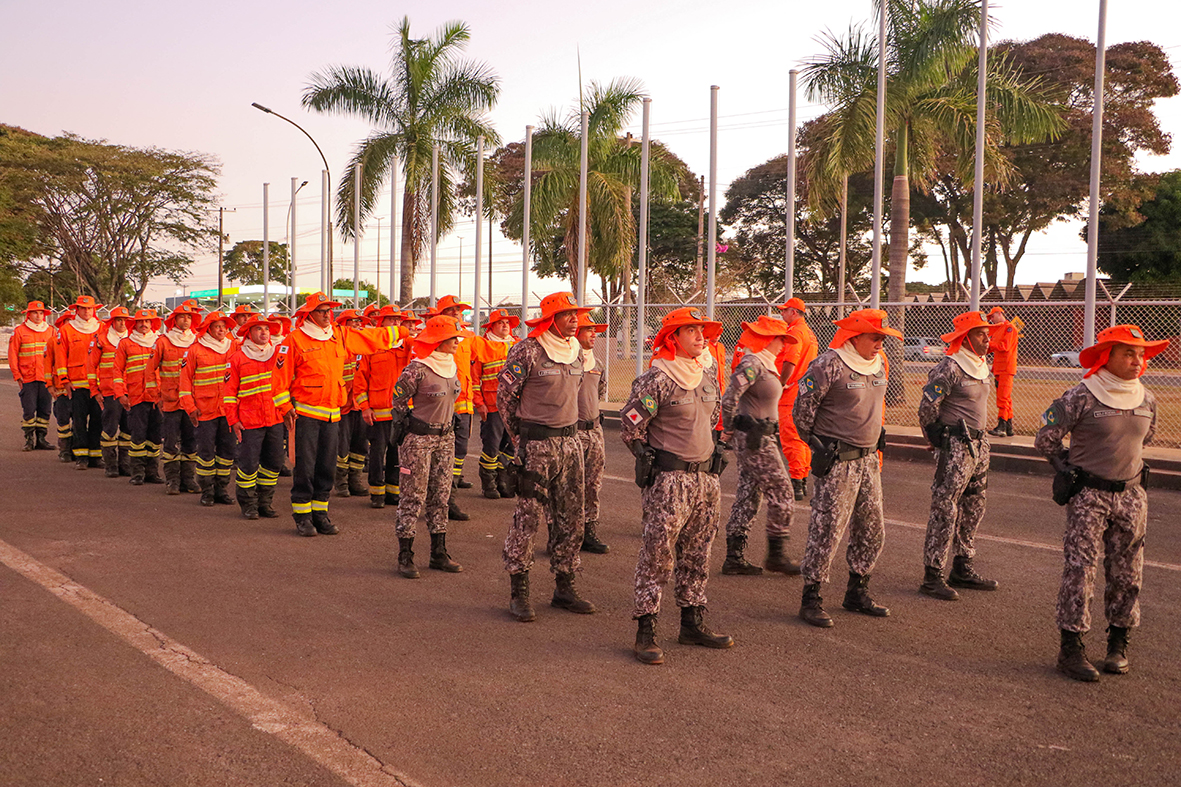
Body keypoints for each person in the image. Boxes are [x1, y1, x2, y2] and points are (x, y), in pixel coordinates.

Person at [1034, 325, 1164, 682]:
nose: (1137, 361)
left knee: (1128, 572)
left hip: (1132, 496)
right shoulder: (1081, 396)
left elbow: (1145, 437)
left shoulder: (1146, 398)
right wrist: (1067, 469)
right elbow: (1045, 439)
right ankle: (1071, 647)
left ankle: (1118, 643)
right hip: (1089, 497)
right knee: (1081, 570)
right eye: (1128, 353)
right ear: (1107, 356)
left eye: (1141, 354)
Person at [621, 307, 733, 665]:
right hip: (670, 482)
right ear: (673, 338)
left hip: (705, 480)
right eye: (692, 331)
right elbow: (632, 425)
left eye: (703, 331)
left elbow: (714, 422)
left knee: (699, 553)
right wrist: (646, 457)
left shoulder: (707, 376)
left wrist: (717, 453)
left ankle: (692, 622)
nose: (702, 337)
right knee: (657, 555)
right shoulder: (657, 379)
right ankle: (646, 629)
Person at [793, 309, 901, 628]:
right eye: (875, 337)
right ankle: (811, 597)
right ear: (855, 336)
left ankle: (857, 591)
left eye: (883, 337)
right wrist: (819, 445)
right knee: (827, 529)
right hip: (838, 459)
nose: (880, 343)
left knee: (871, 529)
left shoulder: (880, 364)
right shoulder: (828, 364)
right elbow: (802, 412)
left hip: (869, 459)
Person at [271, 292, 405, 537]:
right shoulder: (294, 340)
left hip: (333, 414)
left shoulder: (339, 335)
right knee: (305, 467)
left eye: (328, 310)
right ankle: (302, 516)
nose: (326, 314)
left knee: (326, 467)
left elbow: (370, 338)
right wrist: (285, 408)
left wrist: (402, 332)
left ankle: (320, 513)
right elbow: (278, 379)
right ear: (309, 314)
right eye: (321, 311)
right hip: (306, 416)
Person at [498, 292, 595, 622]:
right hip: (537, 445)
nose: (574, 319)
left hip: (571, 444)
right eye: (567, 314)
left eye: (576, 314)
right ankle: (519, 590)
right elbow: (505, 398)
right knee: (527, 519)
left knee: (571, 517)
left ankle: (564, 586)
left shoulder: (577, 352)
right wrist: (520, 439)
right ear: (551, 317)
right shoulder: (527, 349)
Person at [917, 311, 1004, 601]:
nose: (987, 337)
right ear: (966, 337)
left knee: (974, 505)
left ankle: (962, 567)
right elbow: (928, 406)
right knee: (945, 507)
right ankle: (933, 575)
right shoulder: (949, 368)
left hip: (980, 446)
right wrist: (935, 438)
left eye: (988, 332)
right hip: (956, 444)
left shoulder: (982, 365)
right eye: (981, 333)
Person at [720, 315, 799, 575]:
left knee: (749, 493)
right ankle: (776, 555)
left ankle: (734, 557)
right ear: (768, 339)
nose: (783, 345)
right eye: (780, 339)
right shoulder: (753, 363)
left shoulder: (765, 364)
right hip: (755, 437)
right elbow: (730, 398)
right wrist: (731, 429)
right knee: (783, 492)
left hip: (761, 436)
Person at [390, 315, 466, 577]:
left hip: (445, 439)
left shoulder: (452, 366)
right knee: (413, 496)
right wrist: (411, 426)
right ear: (438, 341)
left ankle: (438, 552)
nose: (457, 342)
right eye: (452, 338)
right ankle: (405, 555)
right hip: (419, 440)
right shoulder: (417, 368)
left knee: (441, 496)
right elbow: (398, 402)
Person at [224, 315, 285, 520]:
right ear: (249, 333)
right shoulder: (237, 358)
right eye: (258, 329)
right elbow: (229, 394)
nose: (264, 332)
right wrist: (233, 420)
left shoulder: (277, 354)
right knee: (249, 465)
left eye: (266, 329)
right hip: (249, 421)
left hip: (275, 419)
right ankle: (248, 504)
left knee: (274, 462)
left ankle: (264, 502)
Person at [180, 311, 237, 506]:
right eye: (217, 326)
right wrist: (190, 407)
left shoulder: (234, 347)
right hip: (204, 410)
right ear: (209, 329)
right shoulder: (194, 350)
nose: (222, 330)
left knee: (227, 452)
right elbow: (185, 382)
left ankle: (221, 489)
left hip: (228, 411)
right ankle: (207, 491)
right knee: (205, 454)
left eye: (224, 326)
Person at [354, 305, 408, 508]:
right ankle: (376, 493)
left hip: (402, 413)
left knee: (397, 454)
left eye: (398, 320)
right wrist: (365, 407)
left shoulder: (407, 346)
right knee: (377, 453)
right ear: (380, 323)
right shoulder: (370, 348)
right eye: (391, 319)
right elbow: (360, 382)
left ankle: (393, 491)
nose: (396, 323)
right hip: (377, 413)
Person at [471, 308, 520, 500]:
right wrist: (479, 404)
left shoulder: (517, 345)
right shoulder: (482, 346)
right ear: (491, 326)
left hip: (515, 406)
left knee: (510, 447)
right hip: (492, 406)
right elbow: (474, 380)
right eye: (501, 322)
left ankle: (503, 480)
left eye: (507, 322)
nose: (505, 325)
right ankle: (488, 482)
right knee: (492, 447)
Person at [112, 309, 164, 486]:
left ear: (152, 324)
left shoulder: (159, 342)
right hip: (135, 397)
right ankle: (137, 473)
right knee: (138, 437)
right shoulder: (125, 343)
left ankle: (152, 471)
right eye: (141, 321)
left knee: (155, 437)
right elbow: (117, 370)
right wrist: (120, 393)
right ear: (134, 324)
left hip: (157, 397)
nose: (144, 324)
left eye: (147, 321)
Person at [433, 294, 475, 517]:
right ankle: (438, 500)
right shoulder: (430, 338)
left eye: (458, 310)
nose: (457, 313)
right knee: (439, 454)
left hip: (463, 404)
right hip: (440, 404)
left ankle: (449, 498)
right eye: (451, 310)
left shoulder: (467, 337)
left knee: (460, 451)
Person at [157, 301, 205, 494]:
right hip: (170, 401)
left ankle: (188, 480)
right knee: (170, 442)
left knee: (191, 441)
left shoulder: (198, 341)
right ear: (174, 320)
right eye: (182, 317)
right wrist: (157, 395)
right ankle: (172, 481)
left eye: (188, 317)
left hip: (192, 402)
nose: (186, 320)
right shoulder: (163, 341)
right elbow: (150, 370)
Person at [777, 298, 820, 500]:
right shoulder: (810, 333)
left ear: (794, 312)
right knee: (802, 438)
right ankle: (801, 477)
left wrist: (781, 383)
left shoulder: (794, 332)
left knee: (790, 438)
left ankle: (797, 482)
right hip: (804, 390)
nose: (782, 314)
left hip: (790, 392)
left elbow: (790, 361)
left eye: (785, 311)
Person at [574, 311, 610, 554]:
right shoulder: (565, 361)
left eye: (595, 330)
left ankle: (589, 531)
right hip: (571, 433)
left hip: (594, 431)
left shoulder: (597, 364)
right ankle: (562, 533)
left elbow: (599, 393)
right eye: (589, 329)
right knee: (568, 485)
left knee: (593, 484)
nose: (594, 334)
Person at [55, 296, 105, 470]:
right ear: (77, 310)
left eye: (90, 308)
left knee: (98, 421)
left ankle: (95, 456)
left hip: (98, 386)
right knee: (79, 421)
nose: (87, 312)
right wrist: (64, 381)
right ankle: (81, 457)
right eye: (83, 309)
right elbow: (61, 358)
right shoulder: (67, 330)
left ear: (94, 310)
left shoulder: (102, 328)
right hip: (77, 385)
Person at [89, 306, 132, 477]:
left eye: (124, 320)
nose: (122, 323)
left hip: (131, 392)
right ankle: (111, 465)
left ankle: (125, 463)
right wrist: (94, 390)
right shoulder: (101, 340)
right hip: (109, 392)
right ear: (112, 322)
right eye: (119, 320)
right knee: (110, 430)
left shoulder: (134, 339)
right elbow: (91, 366)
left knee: (128, 430)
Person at [333, 309, 370, 498]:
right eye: (353, 322)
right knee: (342, 446)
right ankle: (340, 481)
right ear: (343, 325)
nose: (357, 325)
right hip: (343, 405)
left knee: (360, 445)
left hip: (360, 404)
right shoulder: (338, 346)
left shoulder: (364, 348)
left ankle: (355, 480)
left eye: (359, 322)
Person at [8, 301, 55, 451]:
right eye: (35, 313)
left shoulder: (51, 331)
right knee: (29, 409)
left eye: (41, 313)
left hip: (46, 378)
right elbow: (13, 354)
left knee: (45, 409)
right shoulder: (20, 331)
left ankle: (41, 439)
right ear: (29, 314)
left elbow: (55, 355)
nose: (38, 316)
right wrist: (17, 374)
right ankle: (29, 440)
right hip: (27, 377)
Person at [987, 306, 1019, 437]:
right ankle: (1008, 427)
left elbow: (1004, 347)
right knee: (1006, 399)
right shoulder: (999, 330)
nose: (992, 320)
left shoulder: (1009, 328)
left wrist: (990, 344)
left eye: (992, 317)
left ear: (999, 314)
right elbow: (992, 347)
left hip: (1006, 368)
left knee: (1003, 399)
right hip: (999, 369)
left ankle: (1002, 426)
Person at [50, 307, 77, 461]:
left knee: (78, 421)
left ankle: (76, 448)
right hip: (60, 389)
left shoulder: (82, 339)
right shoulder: (53, 341)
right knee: (63, 420)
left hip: (77, 387)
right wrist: (50, 385)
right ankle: (65, 450)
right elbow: (48, 366)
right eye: (68, 321)